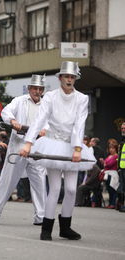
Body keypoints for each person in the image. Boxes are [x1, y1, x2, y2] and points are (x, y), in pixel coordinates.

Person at [20, 61, 95, 241]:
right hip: (52, 142)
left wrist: (77, 148)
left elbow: (79, 124)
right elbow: (39, 120)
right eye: (66, 76)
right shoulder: (51, 97)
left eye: (72, 77)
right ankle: (46, 228)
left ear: (75, 78)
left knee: (70, 189)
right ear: (60, 78)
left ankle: (65, 227)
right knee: (54, 188)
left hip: (72, 146)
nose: (69, 80)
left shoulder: (82, 99)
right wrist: (28, 143)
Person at [0, 74, 47, 226]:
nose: (37, 91)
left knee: (39, 182)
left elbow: (50, 123)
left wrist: (45, 130)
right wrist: (13, 121)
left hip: (37, 147)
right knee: (7, 180)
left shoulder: (47, 105)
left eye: (40, 89)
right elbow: (6, 111)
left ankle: (41, 216)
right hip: (18, 146)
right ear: (29, 88)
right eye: (34, 88)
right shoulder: (19, 101)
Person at [102, 143, 119, 209]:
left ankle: (113, 203)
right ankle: (110, 203)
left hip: (113, 174)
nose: (111, 150)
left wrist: (105, 163)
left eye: (113, 148)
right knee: (108, 189)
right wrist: (104, 163)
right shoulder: (109, 156)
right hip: (107, 174)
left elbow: (109, 164)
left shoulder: (116, 156)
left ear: (116, 149)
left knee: (113, 189)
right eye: (110, 148)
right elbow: (105, 164)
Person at [118, 122, 125, 212]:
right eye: (122, 128)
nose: (123, 130)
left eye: (124, 128)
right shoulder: (122, 140)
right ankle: (121, 205)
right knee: (122, 188)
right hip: (122, 168)